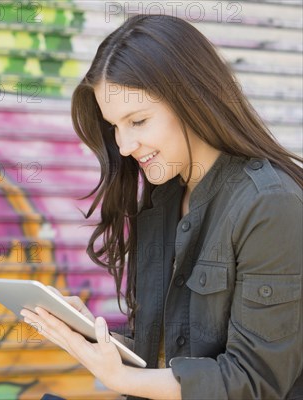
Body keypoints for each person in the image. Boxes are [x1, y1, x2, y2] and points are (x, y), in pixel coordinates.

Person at [21, 14, 303, 400]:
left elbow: (255, 381)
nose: (123, 145)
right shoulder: (162, 198)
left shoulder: (270, 205)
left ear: (190, 100)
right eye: (115, 126)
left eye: (137, 120)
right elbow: (172, 350)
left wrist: (120, 379)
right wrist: (92, 336)